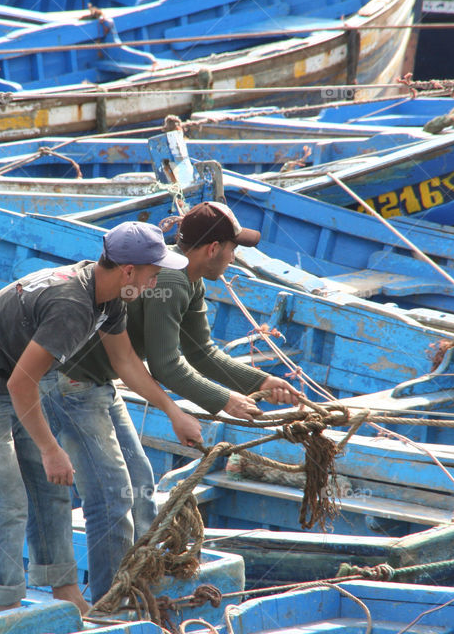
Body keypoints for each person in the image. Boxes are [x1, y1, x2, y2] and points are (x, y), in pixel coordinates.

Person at [0, 221, 203, 614]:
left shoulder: (108, 296)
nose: (154, 282)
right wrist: (50, 449)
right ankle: (5, 606)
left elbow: (126, 361)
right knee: (6, 503)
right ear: (128, 270)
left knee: (50, 491)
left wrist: (173, 411)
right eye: (152, 273)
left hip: (14, 380)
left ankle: (64, 593)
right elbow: (20, 385)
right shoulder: (72, 307)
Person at [46, 201, 297, 601]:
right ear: (212, 249)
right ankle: (115, 601)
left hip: (98, 382)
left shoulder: (190, 281)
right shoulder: (175, 281)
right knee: (113, 497)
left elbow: (202, 353)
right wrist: (224, 402)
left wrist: (261, 381)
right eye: (233, 250)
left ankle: (142, 578)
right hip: (72, 383)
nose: (235, 259)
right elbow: (165, 365)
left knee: (142, 483)